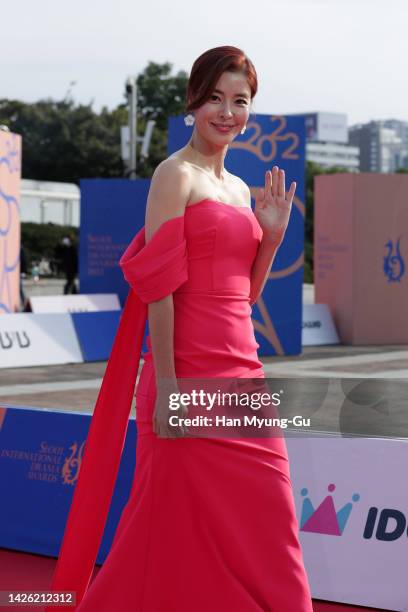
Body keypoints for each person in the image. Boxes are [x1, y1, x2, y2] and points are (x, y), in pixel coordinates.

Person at [47, 46, 313, 611]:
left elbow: (245, 297)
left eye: (239, 100)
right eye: (215, 97)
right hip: (185, 376)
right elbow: (160, 292)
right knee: (164, 526)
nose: (227, 111)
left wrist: (271, 238)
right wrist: (169, 389)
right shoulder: (174, 175)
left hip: (243, 376)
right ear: (193, 101)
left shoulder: (242, 191)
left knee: (272, 519)